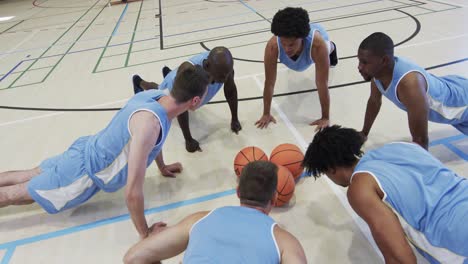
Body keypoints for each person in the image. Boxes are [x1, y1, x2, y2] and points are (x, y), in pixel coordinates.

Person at [0, 64, 209, 240]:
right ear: (195, 101)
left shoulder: (156, 97)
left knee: (28, 176)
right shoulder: (150, 125)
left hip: (84, 150)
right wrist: (145, 233)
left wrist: (161, 166)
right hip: (81, 175)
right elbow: (132, 193)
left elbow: (152, 143)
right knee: (16, 194)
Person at [302, 125, 468, 263]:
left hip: (457, 235)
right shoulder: (401, 146)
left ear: (331, 169)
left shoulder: (359, 188)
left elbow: (401, 258)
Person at [123, 161, 307, 264]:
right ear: (274, 199)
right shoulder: (285, 242)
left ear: (238, 192)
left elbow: (133, 258)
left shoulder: (200, 219)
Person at [358, 32, 468, 150]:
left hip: (461, 103)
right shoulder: (378, 73)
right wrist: (364, 133)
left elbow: (420, 141)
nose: (359, 67)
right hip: (453, 87)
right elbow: (374, 101)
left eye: (364, 62)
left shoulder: (409, 85)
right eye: (359, 61)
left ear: (384, 60)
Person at [132, 46, 241, 153]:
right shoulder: (192, 71)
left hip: (187, 79)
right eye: (221, 77)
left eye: (226, 75)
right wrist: (188, 140)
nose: (224, 79)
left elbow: (230, 90)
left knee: (191, 95)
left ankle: (168, 72)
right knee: (158, 92)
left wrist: (235, 118)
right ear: (207, 66)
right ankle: (139, 82)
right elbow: (181, 107)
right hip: (175, 84)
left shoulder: (223, 68)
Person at [255, 7, 338, 130]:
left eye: (291, 44)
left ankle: (332, 47)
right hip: (302, 48)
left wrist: (325, 117)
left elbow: (322, 83)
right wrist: (266, 113)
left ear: (302, 38)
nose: (287, 49)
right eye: (283, 43)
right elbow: (269, 82)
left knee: (328, 48)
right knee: (294, 68)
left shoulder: (317, 46)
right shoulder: (273, 46)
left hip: (318, 45)